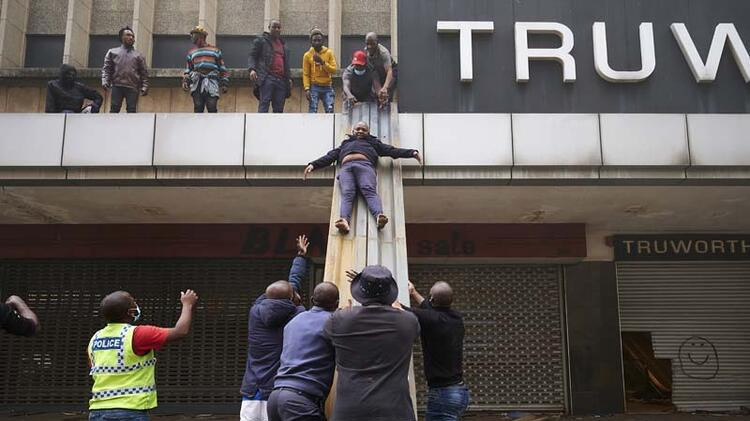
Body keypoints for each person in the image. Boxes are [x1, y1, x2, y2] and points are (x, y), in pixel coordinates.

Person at [324, 265, 419, 421]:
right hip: (395, 411)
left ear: (360, 292)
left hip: (350, 411)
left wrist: (343, 315)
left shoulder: (340, 320)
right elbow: (412, 326)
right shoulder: (408, 321)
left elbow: (329, 334)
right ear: (390, 294)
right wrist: (399, 309)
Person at [87, 289, 198, 421]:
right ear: (130, 312)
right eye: (133, 302)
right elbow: (180, 332)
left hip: (97, 411)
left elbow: (95, 369)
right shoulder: (138, 335)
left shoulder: (95, 339)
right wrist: (187, 304)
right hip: (129, 411)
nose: (136, 304)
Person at [303, 121, 422, 234]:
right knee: (347, 193)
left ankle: (379, 216)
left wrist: (412, 153)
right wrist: (313, 164)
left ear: (368, 132)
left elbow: (391, 150)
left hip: (365, 166)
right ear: (353, 131)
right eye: (358, 129)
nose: (360, 131)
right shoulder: (345, 143)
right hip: (346, 168)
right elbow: (330, 156)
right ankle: (344, 221)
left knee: (369, 190)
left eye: (364, 129)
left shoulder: (373, 143)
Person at [240, 235, 309, 421]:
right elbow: (292, 289)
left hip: (251, 392)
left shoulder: (255, 311)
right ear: (292, 299)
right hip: (276, 393)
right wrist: (301, 257)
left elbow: (284, 289)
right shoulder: (296, 316)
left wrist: (299, 258)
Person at [267, 282, 339, 421]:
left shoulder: (294, 321)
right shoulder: (333, 323)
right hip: (299, 401)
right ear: (336, 303)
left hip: (275, 398)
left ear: (312, 300)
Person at [405, 281, 469, 421]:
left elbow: (398, 308)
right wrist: (413, 292)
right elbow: (431, 310)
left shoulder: (431, 319)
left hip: (444, 395)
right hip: (459, 393)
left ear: (432, 298)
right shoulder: (456, 318)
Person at [102, 26, 149, 113]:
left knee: (131, 110)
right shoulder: (112, 52)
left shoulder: (139, 55)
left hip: (133, 87)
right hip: (117, 85)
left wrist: (145, 86)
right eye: (128, 35)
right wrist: (105, 80)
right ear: (121, 37)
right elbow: (107, 68)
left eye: (132, 36)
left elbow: (144, 73)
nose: (131, 37)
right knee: (114, 109)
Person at [183, 25, 229, 113]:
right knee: (198, 106)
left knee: (211, 105)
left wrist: (224, 83)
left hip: (211, 81)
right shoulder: (192, 52)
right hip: (197, 82)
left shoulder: (215, 50)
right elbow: (189, 69)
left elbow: (222, 68)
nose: (192, 38)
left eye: (194, 35)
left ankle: (213, 125)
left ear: (201, 36)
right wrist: (186, 80)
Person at [249, 19, 292, 113]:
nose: (276, 29)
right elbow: (252, 55)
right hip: (267, 77)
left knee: (279, 108)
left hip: (281, 80)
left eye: (278, 27)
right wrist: (252, 69)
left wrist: (289, 78)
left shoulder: (284, 45)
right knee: (264, 103)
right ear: (269, 28)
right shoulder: (261, 41)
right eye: (274, 27)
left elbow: (286, 64)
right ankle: (260, 126)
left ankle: (276, 127)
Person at [302, 27, 337, 113]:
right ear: (311, 41)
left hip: (327, 86)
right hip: (314, 86)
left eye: (319, 40)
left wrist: (322, 62)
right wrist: (307, 88)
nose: (317, 42)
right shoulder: (307, 55)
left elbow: (333, 70)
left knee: (329, 110)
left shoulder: (329, 52)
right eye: (314, 40)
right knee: (313, 110)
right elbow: (306, 74)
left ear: (323, 41)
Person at [365, 32, 397, 104]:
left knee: (387, 92)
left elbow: (389, 71)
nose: (369, 46)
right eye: (367, 44)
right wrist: (379, 92)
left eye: (372, 44)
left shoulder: (384, 52)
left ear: (377, 43)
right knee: (378, 95)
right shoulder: (366, 53)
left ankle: (387, 103)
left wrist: (385, 88)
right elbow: (374, 75)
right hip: (379, 73)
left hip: (391, 71)